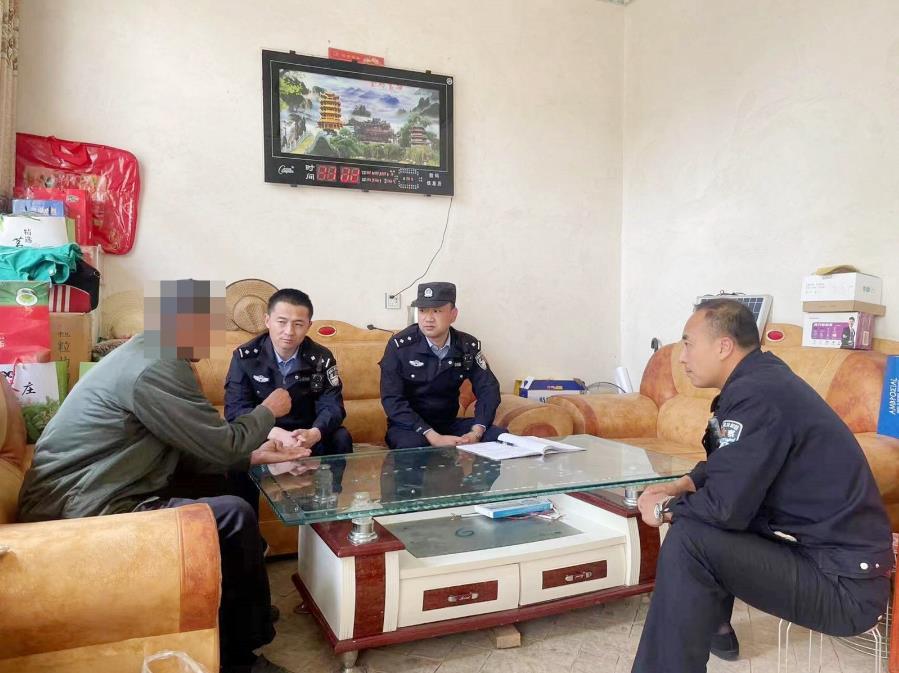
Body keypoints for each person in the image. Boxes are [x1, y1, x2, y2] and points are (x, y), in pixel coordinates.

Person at [17, 279, 304, 673]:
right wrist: (269, 410)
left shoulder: (153, 352)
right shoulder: (156, 367)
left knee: (222, 481)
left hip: (103, 484)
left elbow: (190, 445)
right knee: (234, 515)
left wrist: (253, 455)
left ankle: (242, 610)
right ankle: (238, 657)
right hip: (84, 505)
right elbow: (223, 445)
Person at [631, 298, 893, 673]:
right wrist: (684, 484)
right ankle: (716, 629)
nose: (682, 357)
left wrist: (661, 509)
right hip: (826, 562)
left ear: (724, 346)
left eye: (688, 344)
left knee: (691, 536)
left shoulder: (758, 395)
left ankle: (699, 641)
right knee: (698, 524)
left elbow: (724, 507)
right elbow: (731, 463)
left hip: (846, 586)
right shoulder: (758, 382)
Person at [225, 288, 352, 510]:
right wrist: (274, 433)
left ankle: (329, 507)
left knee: (341, 437)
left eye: (298, 324)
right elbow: (235, 410)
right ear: (267, 320)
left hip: (306, 436)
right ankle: (246, 517)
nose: (289, 331)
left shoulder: (321, 358)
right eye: (281, 322)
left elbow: (332, 405)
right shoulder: (245, 357)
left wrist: (314, 433)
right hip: (264, 434)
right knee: (237, 445)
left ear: (309, 326)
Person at [379, 282, 505, 449]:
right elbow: (392, 399)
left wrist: (476, 432)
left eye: (437, 311)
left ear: (453, 314)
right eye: (422, 311)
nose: (428, 318)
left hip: (448, 423)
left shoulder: (467, 346)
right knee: (415, 446)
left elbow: (488, 389)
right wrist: (433, 436)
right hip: (409, 427)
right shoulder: (400, 346)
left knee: (500, 438)